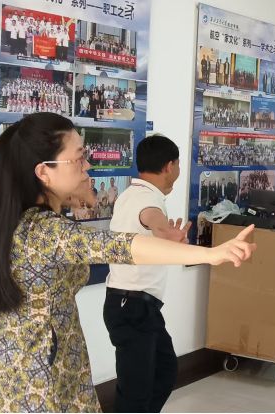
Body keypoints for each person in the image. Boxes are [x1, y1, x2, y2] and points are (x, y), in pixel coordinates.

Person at [0, 113, 256, 412]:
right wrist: (210, 254)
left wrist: (60, 198)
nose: (87, 166)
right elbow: (122, 246)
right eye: (79, 158)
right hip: (37, 372)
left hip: (5, 358)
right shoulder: (46, 231)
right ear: (43, 172)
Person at [103, 133, 188, 413]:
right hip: (132, 307)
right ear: (169, 166)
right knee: (136, 392)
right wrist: (165, 233)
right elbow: (152, 218)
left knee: (164, 371)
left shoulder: (131, 194)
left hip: (138, 306)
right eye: (178, 164)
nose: (178, 170)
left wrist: (165, 235)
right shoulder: (146, 199)